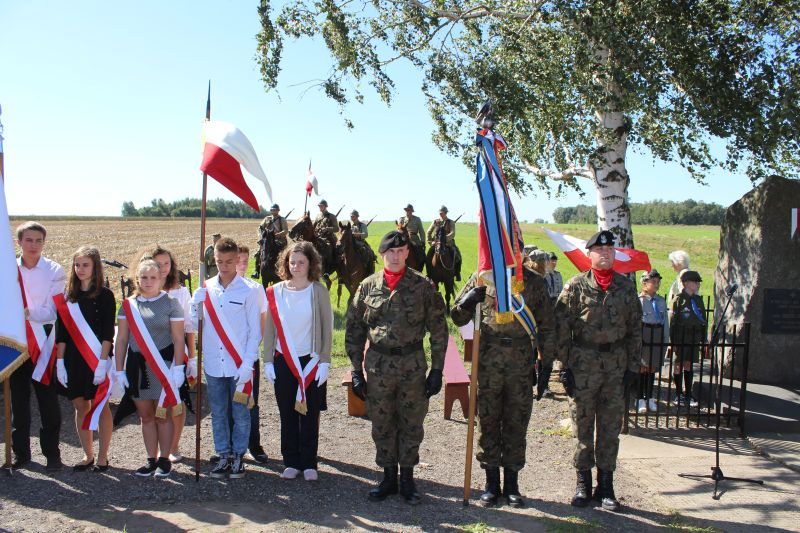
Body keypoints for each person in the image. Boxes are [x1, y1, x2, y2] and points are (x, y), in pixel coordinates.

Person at [345, 230, 448, 505]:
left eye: (401, 251)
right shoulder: (367, 286)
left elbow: (439, 329)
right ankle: (388, 477)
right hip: (378, 367)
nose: (396, 256)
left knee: (412, 422)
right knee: (382, 422)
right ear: (382, 254)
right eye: (390, 251)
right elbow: (354, 330)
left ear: (407, 253)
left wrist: (437, 370)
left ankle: (408, 480)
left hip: (412, 366)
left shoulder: (423, 286)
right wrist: (355, 370)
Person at [451, 262, 555, 508]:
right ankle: (491, 484)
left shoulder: (534, 282)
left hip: (521, 362)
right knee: (487, 420)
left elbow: (548, 326)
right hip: (488, 362)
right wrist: (468, 302)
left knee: (516, 421)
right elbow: (457, 317)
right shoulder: (482, 276)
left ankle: (511, 484)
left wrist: (547, 364)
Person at [555, 230, 642, 512]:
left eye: (610, 250)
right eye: (600, 250)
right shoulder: (576, 286)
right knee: (582, 427)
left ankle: (606, 486)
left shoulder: (626, 288)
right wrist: (563, 367)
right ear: (590, 254)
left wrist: (633, 367)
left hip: (615, 368)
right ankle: (582, 483)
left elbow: (635, 330)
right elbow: (561, 329)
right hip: (583, 367)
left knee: (609, 428)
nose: (606, 254)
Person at [191, 237, 262, 479]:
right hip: (213, 363)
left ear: (237, 259)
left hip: (238, 364)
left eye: (229, 261)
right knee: (219, 412)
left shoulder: (249, 290)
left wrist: (248, 364)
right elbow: (194, 325)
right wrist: (195, 306)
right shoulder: (206, 288)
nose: (224, 266)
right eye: (219, 261)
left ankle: (239, 456)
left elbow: (255, 331)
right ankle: (223, 454)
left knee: (241, 412)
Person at [262, 241, 333, 481]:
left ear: (311, 264)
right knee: (287, 413)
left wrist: (325, 361)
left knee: (310, 414)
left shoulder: (319, 291)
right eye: (292, 262)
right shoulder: (275, 292)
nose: (296, 266)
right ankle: (291, 461)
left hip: (311, 361)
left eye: (301, 262)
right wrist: (268, 360)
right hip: (283, 360)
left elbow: (327, 328)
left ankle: (309, 462)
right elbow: (270, 329)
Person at [114, 258, 186, 478]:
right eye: (144, 277)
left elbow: (178, 338)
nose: (148, 281)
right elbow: (122, 340)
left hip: (164, 368)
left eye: (153, 277)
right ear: (137, 279)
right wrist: (119, 370)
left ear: (161, 278)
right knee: (145, 416)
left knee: (163, 415)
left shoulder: (171, 303)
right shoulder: (128, 305)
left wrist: (179, 368)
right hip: (138, 369)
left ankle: (164, 459)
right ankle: (150, 459)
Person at [54, 246, 116, 472]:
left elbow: (107, 332)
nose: (80, 269)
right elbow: (61, 334)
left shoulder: (105, 295)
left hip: (98, 357)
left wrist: (102, 362)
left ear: (95, 266)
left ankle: (102, 456)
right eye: (77, 265)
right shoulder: (67, 297)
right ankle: (87, 454)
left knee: (101, 405)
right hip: (73, 359)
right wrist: (60, 362)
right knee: (80, 405)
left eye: (85, 265)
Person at [12, 221, 65, 471]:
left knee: (48, 401)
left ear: (44, 243)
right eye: (29, 240)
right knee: (18, 401)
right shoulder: (8, 270)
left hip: (43, 343)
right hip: (16, 343)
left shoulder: (54, 270)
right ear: (19, 241)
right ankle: (21, 454)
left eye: (38, 240)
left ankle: (52, 454)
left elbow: (52, 310)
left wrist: (26, 313)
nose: (33, 245)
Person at [148, 246, 198, 464]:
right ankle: (157, 447)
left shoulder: (180, 292)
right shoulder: (143, 291)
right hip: (150, 354)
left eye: (166, 264)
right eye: (158, 264)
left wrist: (192, 358)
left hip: (175, 354)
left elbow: (189, 327)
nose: (162, 268)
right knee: (153, 402)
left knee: (176, 401)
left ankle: (174, 445)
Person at [236, 245, 269, 463]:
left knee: (251, 401)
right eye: (238, 260)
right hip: (226, 356)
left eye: (245, 261)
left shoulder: (255, 288)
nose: (242, 265)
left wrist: (253, 347)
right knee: (226, 402)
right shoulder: (215, 288)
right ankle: (229, 446)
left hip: (248, 356)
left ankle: (253, 444)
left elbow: (262, 321)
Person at [670, 270, 706, 409]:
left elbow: (703, 320)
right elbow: (672, 322)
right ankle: (678, 393)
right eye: (695, 282)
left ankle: (688, 393)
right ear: (686, 283)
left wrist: (704, 339)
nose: (698, 284)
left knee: (689, 365)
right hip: (681, 337)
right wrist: (672, 342)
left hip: (694, 338)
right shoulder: (678, 300)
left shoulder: (698, 300)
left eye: (698, 282)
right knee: (678, 365)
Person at [638, 270, 669, 414]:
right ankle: (640, 398)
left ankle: (649, 397)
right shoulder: (639, 300)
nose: (656, 284)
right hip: (644, 333)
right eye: (653, 282)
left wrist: (666, 339)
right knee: (642, 367)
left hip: (657, 333)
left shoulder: (661, 301)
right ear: (644, 283)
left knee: (652, 367)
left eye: (658, 282)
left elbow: (665, 321)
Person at [525, 249, 554, 399]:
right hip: (529, 327)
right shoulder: (533, 279)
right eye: (544, 262)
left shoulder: (541, 279)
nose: (546, 264)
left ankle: (540, 379)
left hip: (536, 327)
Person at [426, 205, 462, 281]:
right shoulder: (435, 222)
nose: (440, 214)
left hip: (448, 243)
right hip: (436, 244)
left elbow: (452, 233)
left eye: (442, 212)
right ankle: (429, 274)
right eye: (440, 212)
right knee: (428, 257)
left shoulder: (451, 222)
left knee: (458, 256)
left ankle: (457, 273)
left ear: (445, 213)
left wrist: (444, 239)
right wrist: (431, 242)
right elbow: (428, 232)